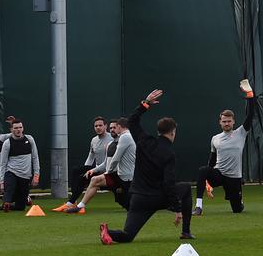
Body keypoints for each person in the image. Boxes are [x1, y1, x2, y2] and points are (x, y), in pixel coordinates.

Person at [99, 89, 194, 244]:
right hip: (157, 197)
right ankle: (186, 231)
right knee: (185, 188)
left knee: (128, 235)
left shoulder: (144, 141)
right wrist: (177, 208)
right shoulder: (169, 153)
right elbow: (169, 183)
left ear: (158, 131)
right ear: (173, 132)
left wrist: (146, 103)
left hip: (138, 198)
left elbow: (132, 121)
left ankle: (108, 232)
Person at [194, 79, 257, 215]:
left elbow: (250, 114)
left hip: (234, 178)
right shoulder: (215, 138)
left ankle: (239, 202)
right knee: (203, 170)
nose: (227, 123)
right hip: (219, 174)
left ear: (233, 121)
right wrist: (207, 183)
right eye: (224, 121)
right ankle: (198, 206)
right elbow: (211, 161)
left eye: (229, 121)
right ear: (220, 122)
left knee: (237, 210)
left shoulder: (241, 132)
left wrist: (250, 95)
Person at [67, 117, 136, 214]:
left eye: (114, 128)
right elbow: (106, 162)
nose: (112, 130)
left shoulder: (126, 137)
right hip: (116, 175)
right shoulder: (111, 143)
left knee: (127, 203)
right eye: (111, 128)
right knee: (94, 179)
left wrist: (108, 172)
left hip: (126, 178)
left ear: (119, 127)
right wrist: (94, 170)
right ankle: (79, 206)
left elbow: (116, 159)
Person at [58, 116, 114, 213]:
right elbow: (91, 156)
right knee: (76, 171)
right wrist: (86, 170)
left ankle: (71, 203)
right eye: (96, 126)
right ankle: (73, 201)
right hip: (97, 168)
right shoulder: (94, 140)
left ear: (106, 126)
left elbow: (108, 162)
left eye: (100, 125)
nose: (98, 127)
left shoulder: (111, 139)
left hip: (107, 171)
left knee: (81, 178)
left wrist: (90, 172)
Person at [0, 117, 40, 212]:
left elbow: (35, 158)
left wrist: (36, 175)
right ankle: (7, 202)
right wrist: (1, 182)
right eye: (16, 128)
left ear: (23, 128)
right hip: (11, 172)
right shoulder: (7, 143)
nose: (18, 130)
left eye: (20, 127)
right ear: (11, 130)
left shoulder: (29, 139)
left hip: (25, 176)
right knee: (10, 186)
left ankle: (8, 205)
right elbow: (3, 164)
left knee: (21, 207)